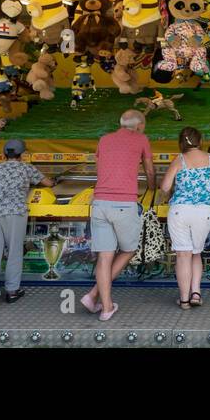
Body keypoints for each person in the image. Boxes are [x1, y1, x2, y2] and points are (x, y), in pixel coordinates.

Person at [82, 110, 155, 321]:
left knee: (104, 257)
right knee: (129, 249)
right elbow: (149, 171)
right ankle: (94, 295)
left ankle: (104, 307)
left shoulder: (104, 139)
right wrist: (152, 188)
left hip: (100, 203)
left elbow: (99, 168)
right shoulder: (141, 139)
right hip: (124, 204)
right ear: (139, 124)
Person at [160, 126, 210, 309]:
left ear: (181, 141)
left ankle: (184, 300)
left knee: (183, 255)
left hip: (180, 211)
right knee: (196, 252)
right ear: (200, 140)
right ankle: (196, 293)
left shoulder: (179, 160)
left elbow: (165, 187)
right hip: (204, 211)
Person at [0, 138, 53, 305]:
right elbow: (48, 183)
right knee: (14, 252)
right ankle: (12, 291)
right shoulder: (27, 168)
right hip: (16, 213)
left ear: (3, 154)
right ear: (23, 154)